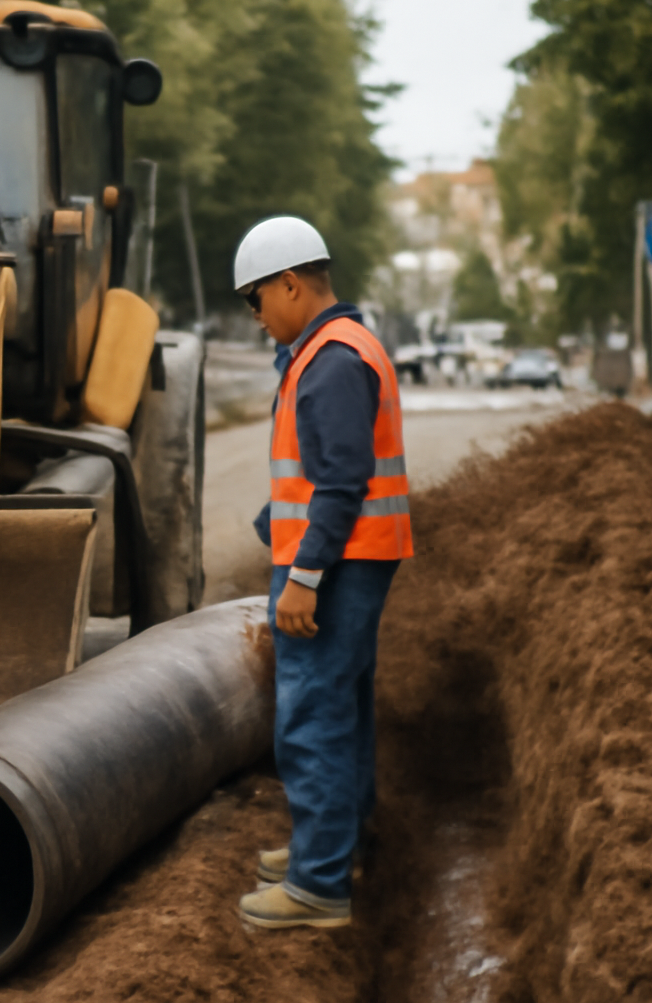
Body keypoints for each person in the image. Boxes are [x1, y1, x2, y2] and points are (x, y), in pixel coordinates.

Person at [232, 216, 413, 931]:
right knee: (343, 707)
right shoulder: (336, 347)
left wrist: (304, 575)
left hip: (338, 561)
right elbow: (311, 477)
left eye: (256, 299)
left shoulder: (332, 360)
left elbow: (341, 483)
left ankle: (317, 885)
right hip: (356, 555)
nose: (254, 316)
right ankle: (337, 847)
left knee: (311, 716)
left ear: (291, 284)